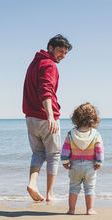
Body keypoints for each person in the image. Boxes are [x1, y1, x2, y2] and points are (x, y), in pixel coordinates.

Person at [22, 34, 72, 201]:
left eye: (65, 53)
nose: (62, 56)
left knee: (38, 152)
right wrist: (50, 116)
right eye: (60, 51)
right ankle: (50, 194)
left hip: (30, 118)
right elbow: (46, 91)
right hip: (45, 117)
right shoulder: (49, 65)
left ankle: (33, 183)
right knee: (54, 154)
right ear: (50, 48)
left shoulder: (34, 63)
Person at [61, 103, 104, 215]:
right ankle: (89, 209)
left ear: (76, 117)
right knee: (89, 188)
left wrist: (65, 162)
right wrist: (99, 162)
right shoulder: (95, 135)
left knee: (73, 187)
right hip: (90, 166)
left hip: (74, 165)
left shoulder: (70, 134)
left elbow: (65, 149)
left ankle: (71, 210)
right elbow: (99, 149)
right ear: (93, 118)